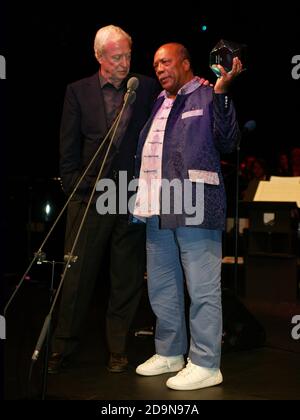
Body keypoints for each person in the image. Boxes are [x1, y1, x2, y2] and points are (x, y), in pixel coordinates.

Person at [48, 25, 160, 374]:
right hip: (89, 197)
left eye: (128, 54)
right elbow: (68, 146)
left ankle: (118, 348)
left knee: (125, 276)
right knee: (77, 274)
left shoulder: (145, 88)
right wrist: (73, 187)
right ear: (99, 56)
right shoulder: (78, 92)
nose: (125, 63)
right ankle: (63, 347)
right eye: (117, 57)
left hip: (129, 195)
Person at [133, 43, 242, 390]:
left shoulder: (207, 96)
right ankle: (170, 352)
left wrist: (223, 93)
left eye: (165, 62)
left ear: (185, 63)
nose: (160, 69)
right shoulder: (157, 102)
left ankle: (207, 362)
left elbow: (228, 141)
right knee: (163, 287)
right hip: (156, 206)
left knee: (202, 287)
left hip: (194, 203)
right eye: (155, 64)